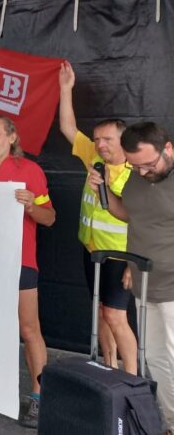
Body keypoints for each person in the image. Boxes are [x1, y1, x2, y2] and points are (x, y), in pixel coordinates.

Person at [0, 115, 55, 429]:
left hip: (20, 262)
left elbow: (50, 218)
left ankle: (39, 395)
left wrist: (31, 206)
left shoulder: (30, 170)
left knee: (29, 330)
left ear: (11, 138)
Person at [89, 122, 174, 433]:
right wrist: (103, 190)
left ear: (168, 149)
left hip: (173, 287)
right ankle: (169, 423)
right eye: (135, 166)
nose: (142, 172)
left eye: (149, 164)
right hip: (145, 283)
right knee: (156, 359)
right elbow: (128, 213)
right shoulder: (139, 179)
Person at [59, 62, 136, 374]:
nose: (101, 145)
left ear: (124, 141)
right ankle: (109, 367)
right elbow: (67, 128)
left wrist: (134, 262)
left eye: (108, 140)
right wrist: (65, 89)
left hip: (122, 255)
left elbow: (147, 219)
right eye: (98, 139)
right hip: (92, 250)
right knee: (102, 311)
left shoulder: (137, 172)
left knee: (117, 316)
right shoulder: (93, 156)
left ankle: (132, 378)